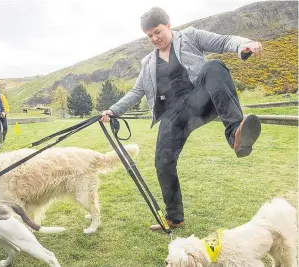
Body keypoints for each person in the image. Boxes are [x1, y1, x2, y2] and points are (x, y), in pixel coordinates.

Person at [100, 7, 263, 230]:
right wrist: (113, 110)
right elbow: (136, 91)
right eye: (149, 36)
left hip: (200, 101)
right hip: (172, 117)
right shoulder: (148, 63)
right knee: (162, 162)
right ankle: (175, 218)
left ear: (168, 25)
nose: (155, 38)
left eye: (158, 32)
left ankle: (236, 136)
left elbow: (224, 41)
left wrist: (243, 45)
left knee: (214, 66)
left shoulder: (190, 36)